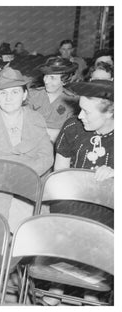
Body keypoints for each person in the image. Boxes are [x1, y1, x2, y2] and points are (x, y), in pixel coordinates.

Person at [0, 67, 53, 294]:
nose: (8, 98)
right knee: (10, 211)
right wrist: (6, 173)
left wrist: (20, 174)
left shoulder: (36, 118)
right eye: (3, 93)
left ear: (25, 94)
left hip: (28, 182)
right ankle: (1, 265)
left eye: (15, 92)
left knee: (23, 212)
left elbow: (46, 156)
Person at [44, 79, 114, 306]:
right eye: (79, 108)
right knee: (67, 220)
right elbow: (59, 175)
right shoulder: (72, 127)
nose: (80, 115)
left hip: (110, 207)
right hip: (74, 199)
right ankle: (61, 281)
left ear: (111, 113)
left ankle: (95, 280)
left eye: (86, 111)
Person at [28, 56, 79, 142]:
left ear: (65, 80)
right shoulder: (32, 94)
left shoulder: (73, 101)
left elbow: (68, 136)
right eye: (45, 76)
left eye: (52, 78)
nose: (46, 81)